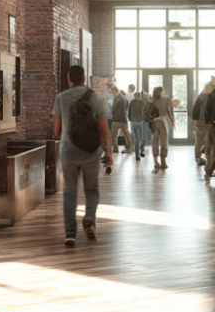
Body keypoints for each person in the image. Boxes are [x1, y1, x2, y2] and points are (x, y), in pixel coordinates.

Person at [51, 65, 113, 246]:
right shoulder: (95, 97)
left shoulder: (61, 98)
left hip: (68, 151)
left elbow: (56, 131)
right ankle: (89, 221)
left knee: (70, 193)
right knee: (91, 190)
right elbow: (104, 130)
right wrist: (108, 152)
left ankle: (70, 233)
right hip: (90, 152)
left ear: (68, 78)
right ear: (84, 78)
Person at [150, 86, 175, 170]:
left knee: (155, 140)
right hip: (163, 121)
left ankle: (155, 160)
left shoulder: (153, 100)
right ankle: (163, 162)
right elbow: (169, 111)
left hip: (154, 122)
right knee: (164, 142)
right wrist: (172, 122)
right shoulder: (166, 99)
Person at [192, 83, 213, 165]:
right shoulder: (212, 96)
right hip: (209, 122)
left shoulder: (202, 95)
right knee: (209, 140)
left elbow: (196, 107)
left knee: (199, 140)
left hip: (201, 121)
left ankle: (198, 158)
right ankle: (208, 157)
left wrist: (195, 120)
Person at [109, 87, 134, 154]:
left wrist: (113, 113)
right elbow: (126, 107)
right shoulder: (124, 98)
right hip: (123, 119)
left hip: (116, 119)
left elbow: (114, 109)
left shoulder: (118, 98)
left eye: (112, 92)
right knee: (126, 133)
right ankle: (129, 147)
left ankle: (115, 148)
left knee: (114, 135)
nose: (112, 94)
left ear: (115, 91)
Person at [128, 89, 148, 161]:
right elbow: (144, 113)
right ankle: (139, 152)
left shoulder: (132, 102)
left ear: (135, 96)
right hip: (140, 121)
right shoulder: (143, 103)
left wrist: (130, 119)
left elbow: (129, 112)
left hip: (133, 121)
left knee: (136, 137)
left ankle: (137, 154)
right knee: (139, 137)